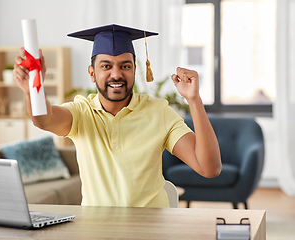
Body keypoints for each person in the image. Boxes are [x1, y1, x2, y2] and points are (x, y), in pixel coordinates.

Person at [13, 24, 221, 208]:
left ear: (134, 70)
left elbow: (209, 168)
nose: (116, 74)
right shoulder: (81, 112)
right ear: (92, 72)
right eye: (106, 66)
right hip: (97, 230)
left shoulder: (159, 112)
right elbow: (43, 118)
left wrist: (194, 100)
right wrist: (32, 88)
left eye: (125, 66)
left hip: (151, 230)